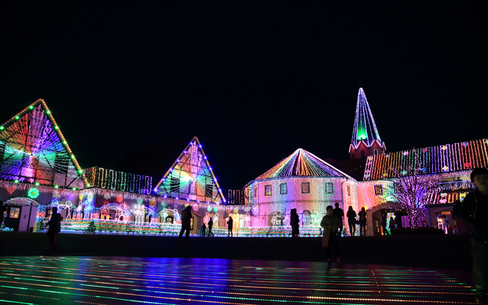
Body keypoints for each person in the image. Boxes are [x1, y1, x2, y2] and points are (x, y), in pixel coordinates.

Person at [459, 168, 488, 305]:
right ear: (474, 181)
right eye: (478, 178)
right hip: (479, 237)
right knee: (480, 266)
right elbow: (462, 212)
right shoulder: (472, 197)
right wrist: (473, 223)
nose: (482, 179)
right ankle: (481, 293)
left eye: (484, 177)